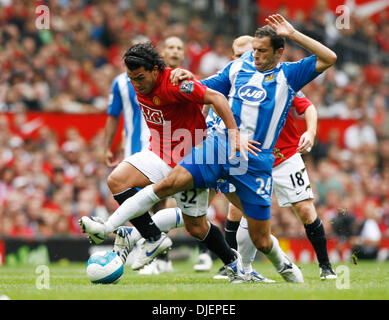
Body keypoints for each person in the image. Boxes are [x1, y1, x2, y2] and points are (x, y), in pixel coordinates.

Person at [80, 14, 337, 283]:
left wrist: (294, 34)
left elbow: (329, 59)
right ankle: (113, 228)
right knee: (172, 186)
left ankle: (282, 269)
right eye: (249, 51)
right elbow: (204, 89)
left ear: (279, 51)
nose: (252, 56)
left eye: (260, 51)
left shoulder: (290, 75)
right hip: (220, 147)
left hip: (262, 160)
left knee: (257, 234)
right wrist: (187, 77)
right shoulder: (237, 69)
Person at [81, 41, 259, 283]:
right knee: (117, 180)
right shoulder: (138, 80)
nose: (136, 84)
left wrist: (234, 134)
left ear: (155, 70)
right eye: (131, 78)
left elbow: (216, 97)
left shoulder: (177, 84)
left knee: (196, 227)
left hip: (191, 158)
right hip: (159, 152)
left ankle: (232, 263)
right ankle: (153, 237)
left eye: (140, 77)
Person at [206, 35, 337, 280]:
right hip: (248, 157)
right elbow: (207, 97)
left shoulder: (280, 81)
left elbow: (307, 106)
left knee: (306, 211)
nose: (249, 56)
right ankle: (235, 266)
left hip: (284, 156)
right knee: (237, 211)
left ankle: (325, 266)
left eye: (254, 51)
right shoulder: (234, 79)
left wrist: (310, 131)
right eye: (239, 54)